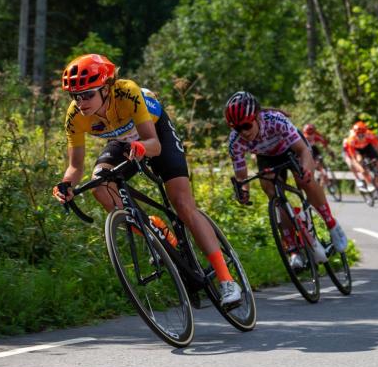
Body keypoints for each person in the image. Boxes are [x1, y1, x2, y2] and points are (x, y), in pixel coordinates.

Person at [51, 54, 242, 305]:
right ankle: (154, 230)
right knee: (100, 185)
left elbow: (154, 144)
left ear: (107, 88)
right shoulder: (75, 115)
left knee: (183, 205)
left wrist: (141, 148)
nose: (81, 101)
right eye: (75, 95)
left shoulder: (127, 92)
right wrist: (65, 185)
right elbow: (75, 166)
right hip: (121, 141)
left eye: (88, 94)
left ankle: (227, 280)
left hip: (154, 134)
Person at [225, 91, 349, 271]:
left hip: (292, 149)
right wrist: (243, 190)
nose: (243, 132)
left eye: (245, 125)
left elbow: (303, 151)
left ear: (257, 117)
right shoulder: (235, 141)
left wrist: (306, 170)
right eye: (237, 128)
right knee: (271, 192)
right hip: (267, 157)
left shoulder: (276, 121)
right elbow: (242, 176)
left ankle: (331, 224)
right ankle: (293, 248)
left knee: (304, 180)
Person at [344, 121, 378, 202]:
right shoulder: (351, 140)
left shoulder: (370, 134)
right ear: (355, 133)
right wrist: (362, 170)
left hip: (367, 147)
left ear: (366, 132)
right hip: (357, 150)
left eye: (363, 133)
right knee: (360, 162)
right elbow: (354, 159)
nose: (361, 136)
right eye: (359, 134)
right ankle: (369, 183)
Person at [302, 123, 331, 187]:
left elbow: (324, 144)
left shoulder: (316, 136)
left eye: (311, 134)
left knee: (320, 166)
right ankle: (319, 175)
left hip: (314, 151)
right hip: (307, 152)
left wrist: (330, 152)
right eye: (307, 134)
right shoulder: (302, 138)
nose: (309, 136)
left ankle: (322, 176)